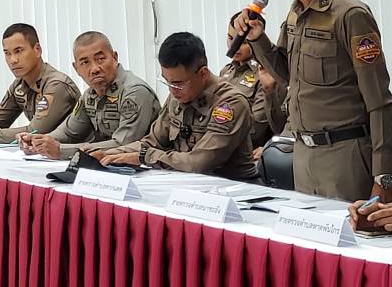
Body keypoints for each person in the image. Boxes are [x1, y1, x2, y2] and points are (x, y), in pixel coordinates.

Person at [234, 0, 392, 203]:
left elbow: (379, 100)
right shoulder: (296, 13)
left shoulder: (349, 15)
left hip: (343, 157)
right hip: (303, 154)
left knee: (349, 230)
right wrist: (258, 39)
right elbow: (286, 74)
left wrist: (383, 176)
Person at [99, 32, 256, 179]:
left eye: (178, 83)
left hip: (233, 187)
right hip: (186, 183)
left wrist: (145, 157)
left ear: (203, 74)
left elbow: (199, 163)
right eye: (166, 81)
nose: (172, 90)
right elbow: (152, 142)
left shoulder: (230, 104)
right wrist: (108, 154)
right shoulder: (179, 95)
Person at [27, 30, 161, 160]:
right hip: (108, 164)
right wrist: (39, 141)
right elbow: (69, 132)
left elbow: (124, 144)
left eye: (100, 59)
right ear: (76, 68)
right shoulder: (89, 95)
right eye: (85, 62)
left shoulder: (135, 92)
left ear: (115, 58)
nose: (95, 69)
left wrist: (61, 150)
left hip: (147, 165)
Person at [0, 23, 80, 143]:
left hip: (74, 153)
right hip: (44, 153)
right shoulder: (19, 84)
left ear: (37, 50)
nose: (13, 60)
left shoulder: (57, 85)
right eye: (7, 53)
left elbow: (35, 132)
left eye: (18, 51)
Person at [220, 18, 287, 149]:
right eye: (230, 38)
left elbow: (256, 127)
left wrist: (219, 137)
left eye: (243, 42)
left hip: (249, 148)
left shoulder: (267, 73)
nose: (234, 45)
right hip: (222, 141)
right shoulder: (226, 71)